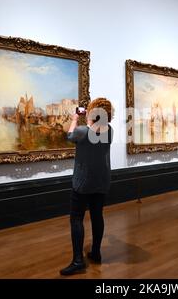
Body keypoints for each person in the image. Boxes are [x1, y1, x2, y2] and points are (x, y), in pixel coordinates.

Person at [60, 98, 114, 275]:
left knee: (76, 218)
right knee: (97, 216)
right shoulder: (110, 131)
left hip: (83, 182)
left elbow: (69, 136)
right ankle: (96, 253)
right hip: (101, 181)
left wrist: (75, 118)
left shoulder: (82, 132)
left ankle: (77, 261)